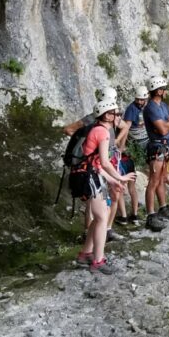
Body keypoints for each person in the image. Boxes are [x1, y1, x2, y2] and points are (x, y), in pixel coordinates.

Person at [71, 98, 135, 274]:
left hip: (87, 175)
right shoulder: (103, 133)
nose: (118, 117)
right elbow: (106, 163)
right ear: (107, 115)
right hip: (88, 177)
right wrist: (120, 177)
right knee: (102, 217)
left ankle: (85, 254)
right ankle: (98, 260)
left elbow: (97, 163)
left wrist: (113, 180)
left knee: (101, 215)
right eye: (116, 113)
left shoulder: (97, 130)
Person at [143, 76, 169, 230]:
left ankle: (163, 208)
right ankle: (150, 215)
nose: (166, 91)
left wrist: (168, 124)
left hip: (164, 146)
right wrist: (168, 124)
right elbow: (163, 129)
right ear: (158, 91)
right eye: (164, 89)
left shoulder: (163, 106)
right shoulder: (151, 108)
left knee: (161, 179)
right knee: (153, 181)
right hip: (156, 147)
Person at [117, 85, 151, 224]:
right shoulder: (132, 109)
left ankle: (131, 214)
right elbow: (127, 127)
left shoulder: (144, 107)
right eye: (138, 100)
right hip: (132, 147)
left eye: (142, 99)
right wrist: (122, 145)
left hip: (135, 148)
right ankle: (129, 215)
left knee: (127, 184)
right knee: (126, 184)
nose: (140, 102)